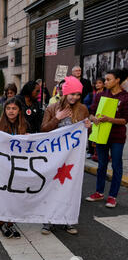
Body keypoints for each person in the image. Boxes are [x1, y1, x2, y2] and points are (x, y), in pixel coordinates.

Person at [41, 76, 92, 235]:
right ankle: (48, 221)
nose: (75, 97)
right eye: (72, 94)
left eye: (78, 94)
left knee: (70, 187)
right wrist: (58, 117)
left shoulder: (83, 109)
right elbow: (43, 130)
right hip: (54, 156)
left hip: (73, 157)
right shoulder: (52, 107)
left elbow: (85, 133)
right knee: (51, 187)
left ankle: (67, 219)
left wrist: (88, 127)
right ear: (65, 92)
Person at [86, 69, 128, 208]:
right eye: (105, 80)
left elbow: (125, 120)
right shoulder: (100, 95)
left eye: (108, 79)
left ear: (117, 80)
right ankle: (99, 192)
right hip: (101, 135)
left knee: (116, 165)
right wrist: (94, 119)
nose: (105, 82)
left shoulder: (125, 97)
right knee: (102, 164)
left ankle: (112, 196)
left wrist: (109, 119)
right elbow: (91, 113)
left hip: (117, 137)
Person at [0, 97, 29, 238]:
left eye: (14, 108)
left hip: (19, 166)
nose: (11, 111)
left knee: (15, 195)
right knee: (4, 195)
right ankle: (3, 223)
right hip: (3, 165)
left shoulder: (25, 125)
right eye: (8, 108)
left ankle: (11, 222)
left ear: (19, 110)